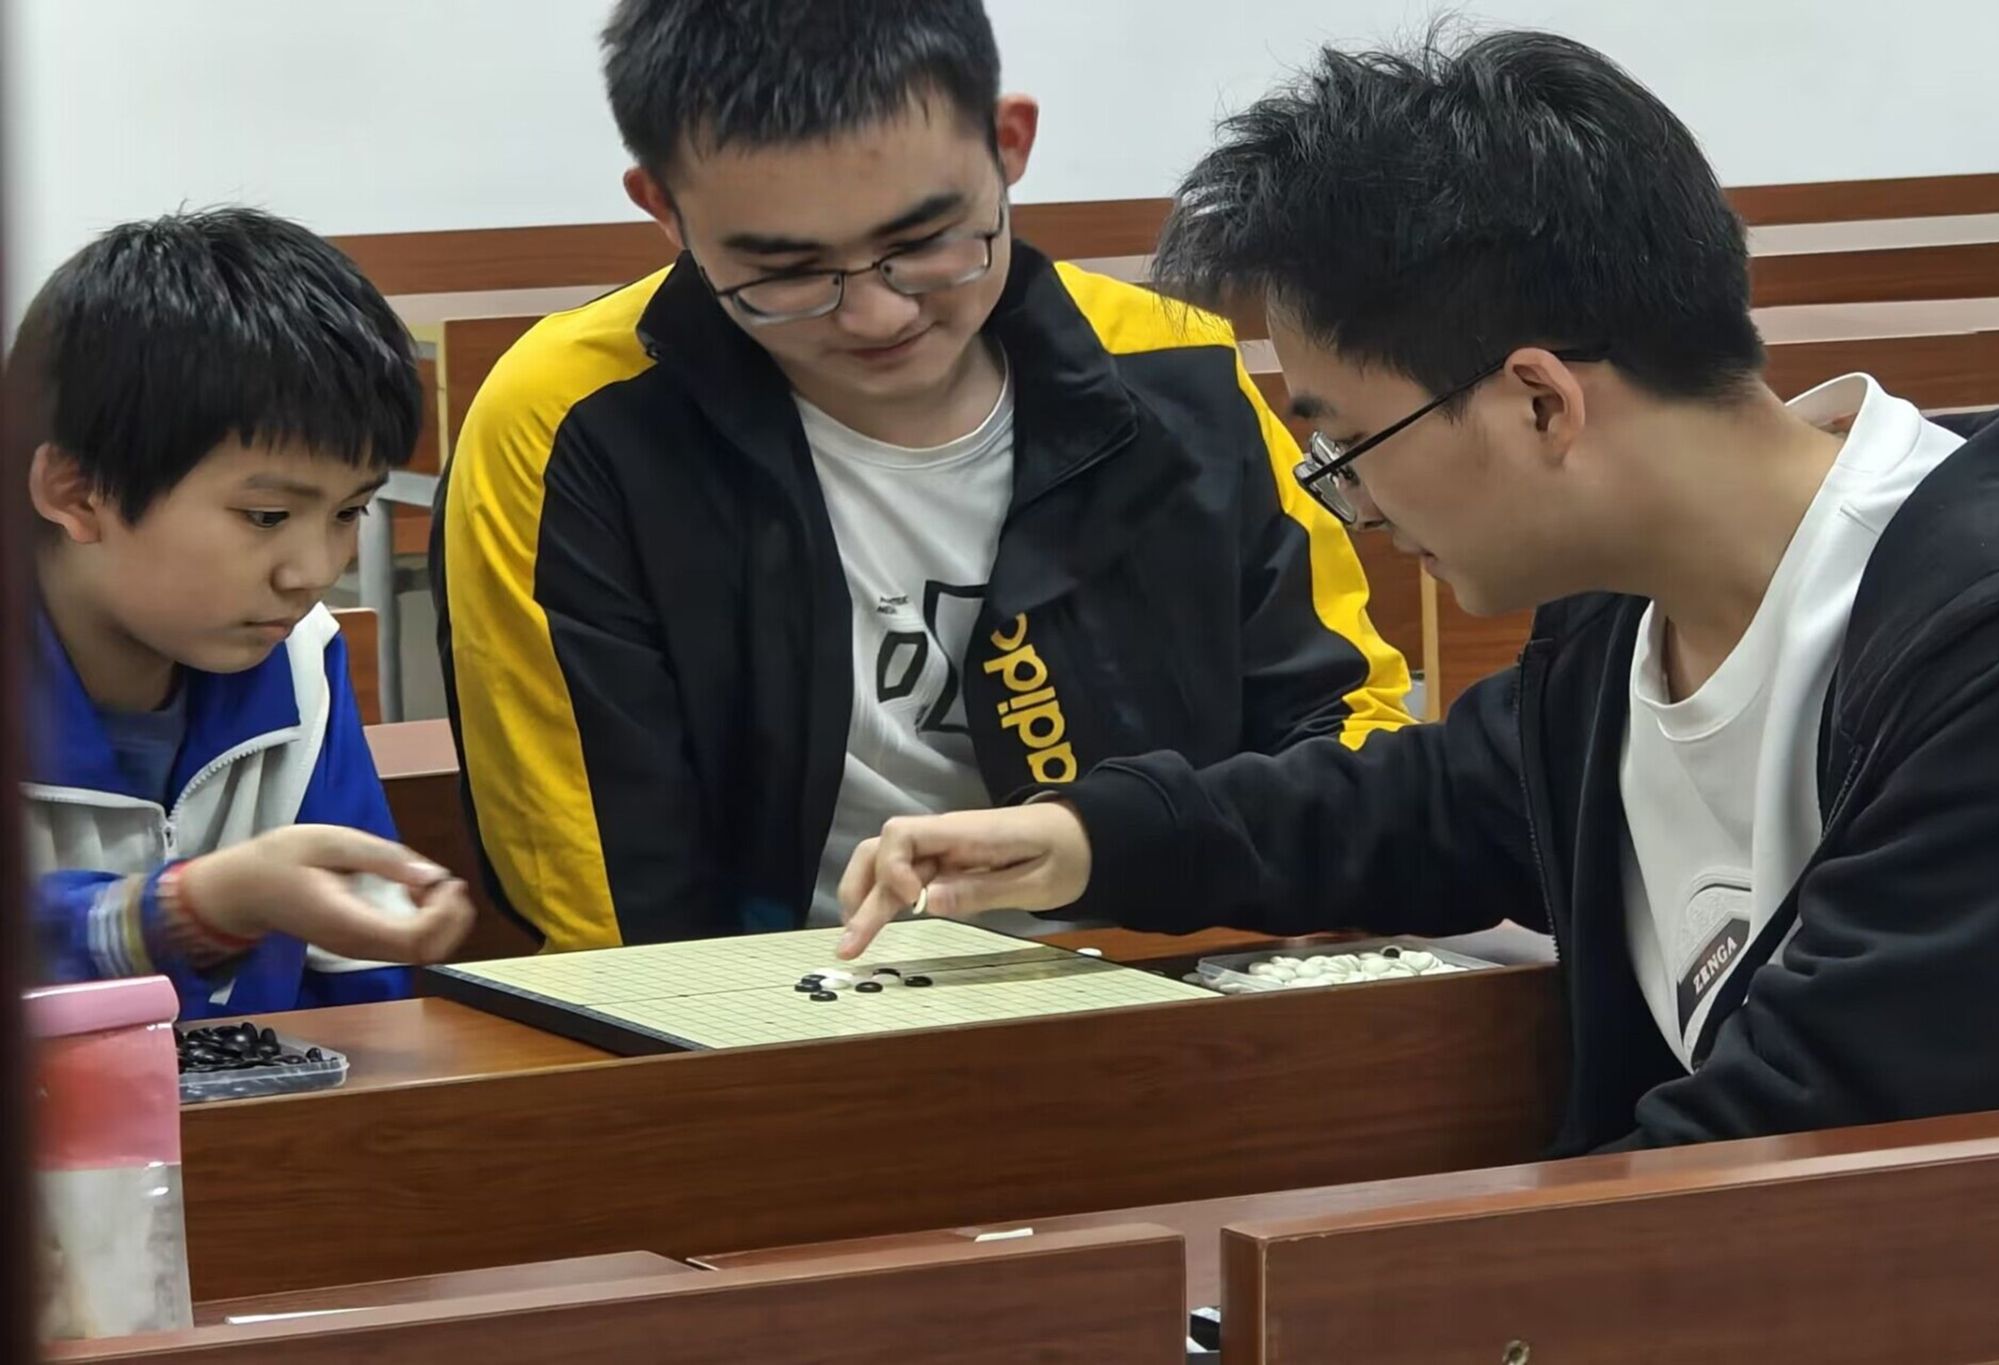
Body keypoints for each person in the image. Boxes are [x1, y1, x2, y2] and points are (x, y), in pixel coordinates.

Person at [838, 31, 1999, 1152]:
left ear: (1539, 402)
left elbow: (1815, 1129)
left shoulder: (1998, 646)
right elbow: (1425, 808)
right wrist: (1084, 840)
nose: (1344, 500)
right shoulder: (1622, 614)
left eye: (1345, 444)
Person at [432, 0, 1413, 953]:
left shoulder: (1172, 369)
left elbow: (1338, 733)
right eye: (786, 272)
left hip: (1185, 982)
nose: (876, 315)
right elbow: (615, 913)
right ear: (664, 208)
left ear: (1007, 143)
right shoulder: (569, 423)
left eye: (925, 244)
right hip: (779, 1017)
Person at [17, 208, 476, 1019]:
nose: (315, 572)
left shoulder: (300, 657)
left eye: (350, 511)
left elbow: (360, 1002)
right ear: (78, 492)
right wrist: (192, 908)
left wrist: (395, 922)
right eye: (267, 516)